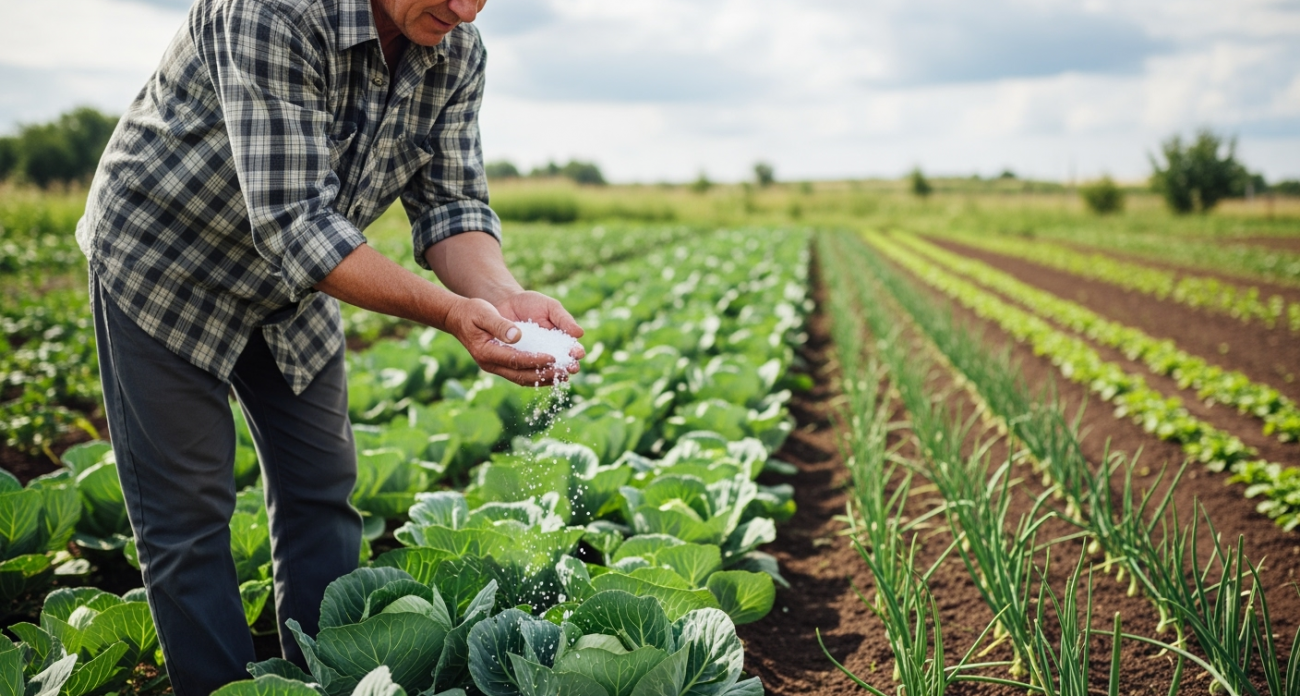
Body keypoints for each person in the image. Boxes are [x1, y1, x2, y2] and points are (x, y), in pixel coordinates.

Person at [74, 0, 581, 692]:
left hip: (297, 287)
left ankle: (326, 681)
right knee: (187, 519)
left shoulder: (456, 49)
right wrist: (452, 314)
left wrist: (501, 297)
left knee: (322, 491)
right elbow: (294, 223)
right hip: (167, 264)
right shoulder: (270, 10)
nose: (464, 10)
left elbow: (452, 207)